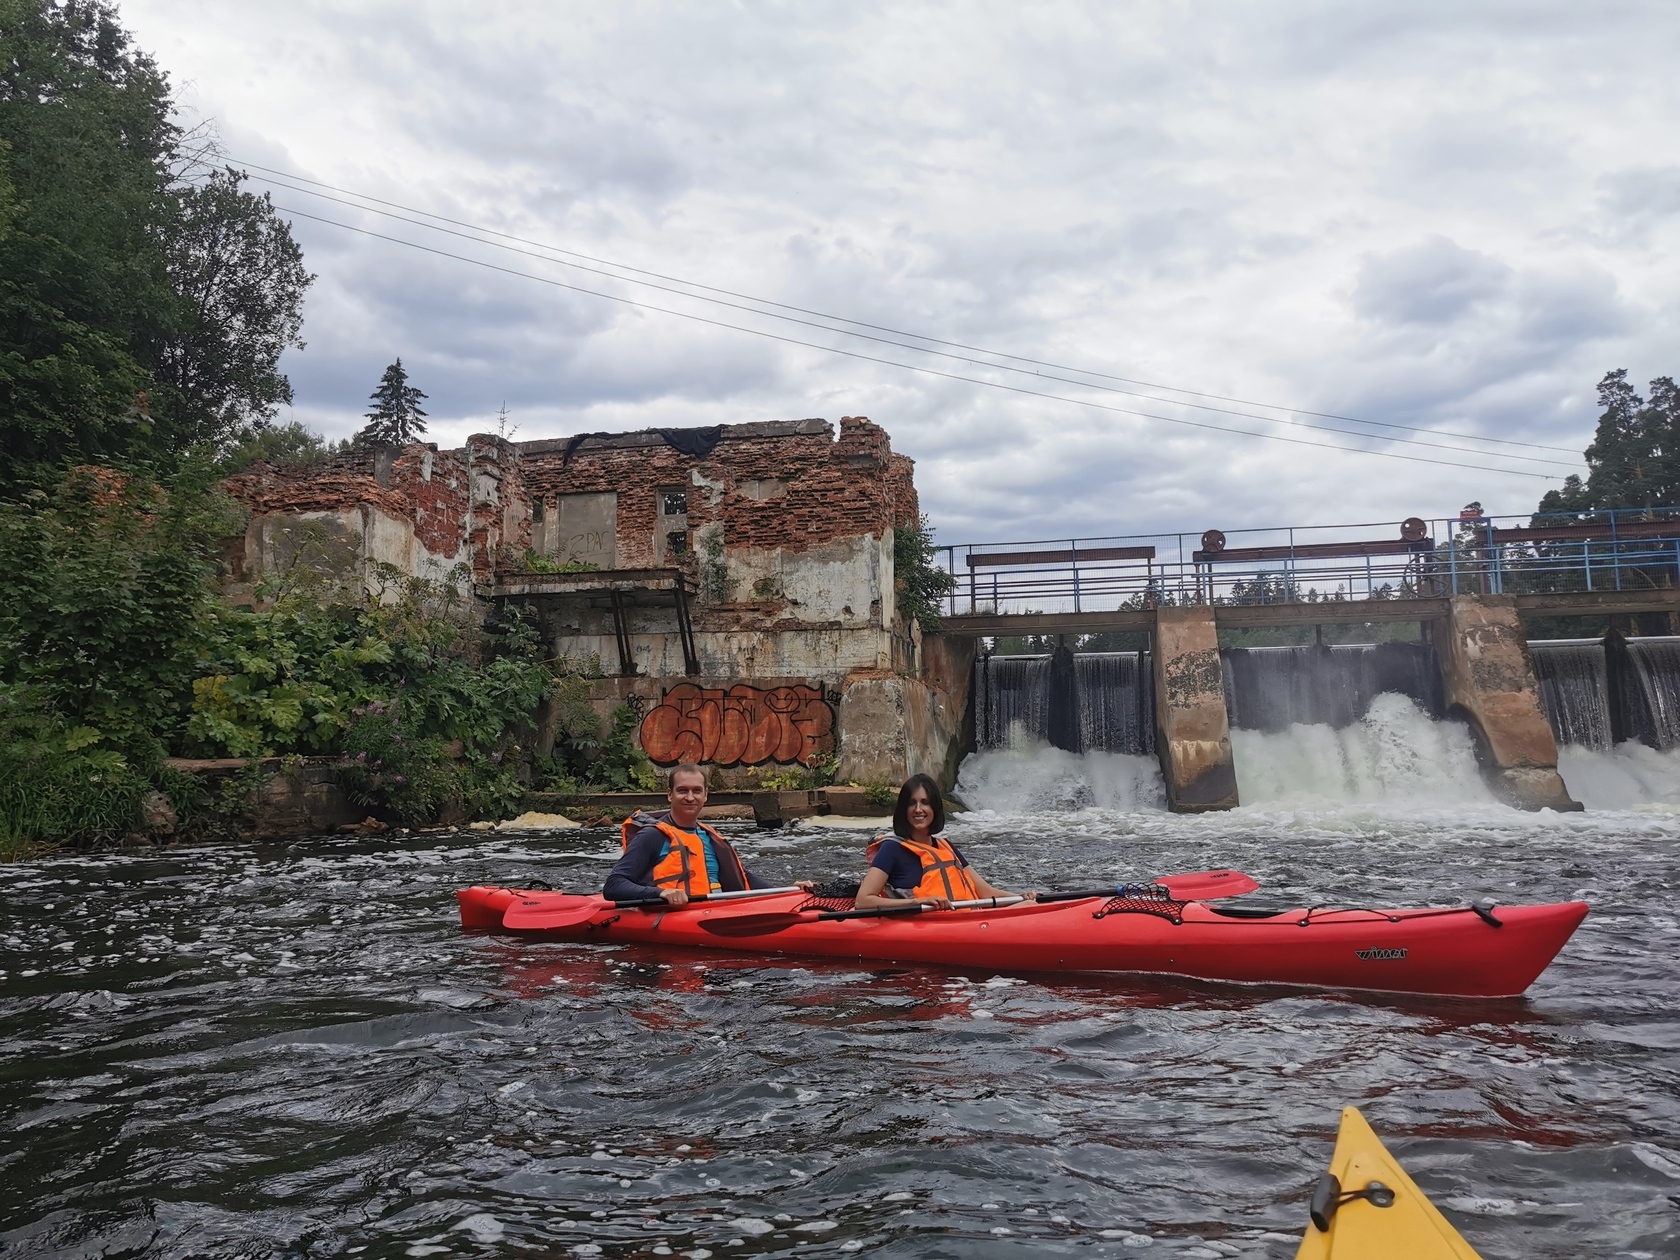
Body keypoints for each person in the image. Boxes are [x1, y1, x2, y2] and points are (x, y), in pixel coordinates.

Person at [605, 762, 811, 904]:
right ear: (670, 795)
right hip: (672, 914)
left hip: (715, 911)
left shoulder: (711, 837)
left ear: (705, 796)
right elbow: (614, 885)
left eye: (696, 791)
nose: (690, 797)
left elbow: (744, 877)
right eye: (682, 790)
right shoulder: (652, 836)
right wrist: (661, 893)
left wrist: (787, 891)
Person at [853, 774, 1036, 910]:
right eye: (912, 803)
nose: (918, 809)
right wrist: (916, 902)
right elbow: (863, 901)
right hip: (931, 925)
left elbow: (985, 891)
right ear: (904, 809)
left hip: (968, 920)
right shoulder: (892, 848)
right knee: (1029, 907)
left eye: (925, 802)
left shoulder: (946, 846)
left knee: (1029, 905)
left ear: (934, 808)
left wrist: (1020, 897)